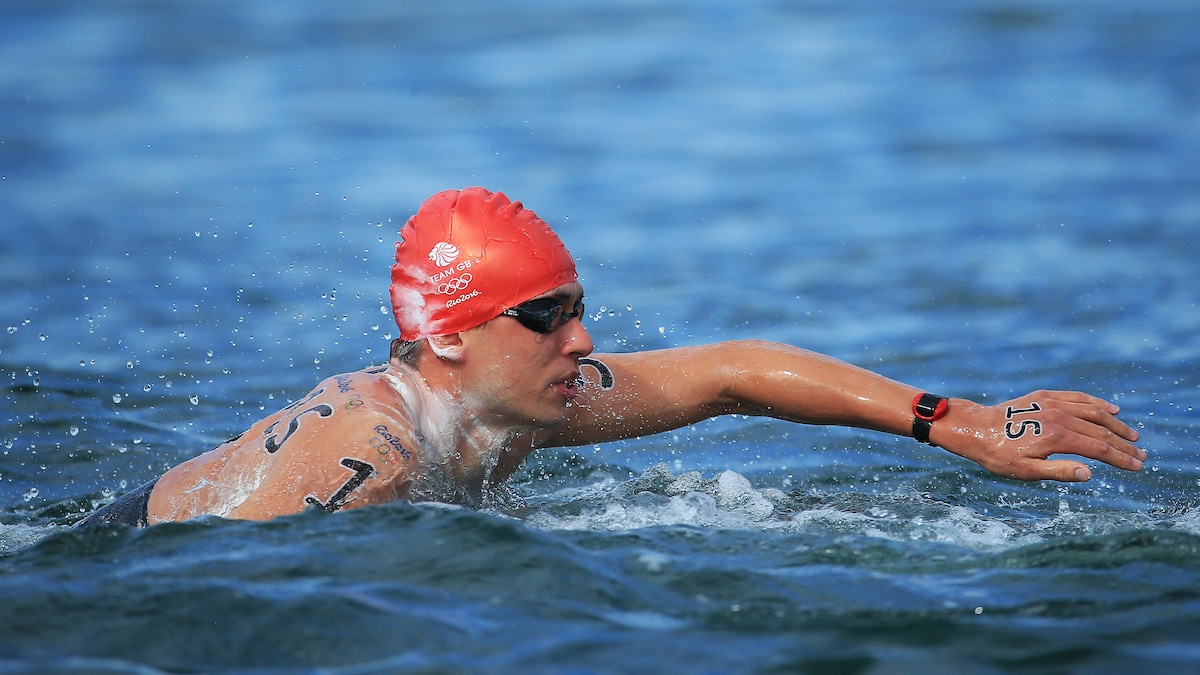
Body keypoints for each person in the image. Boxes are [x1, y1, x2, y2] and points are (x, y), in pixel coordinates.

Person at [77, 187, 1146, 527]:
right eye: (544, 316)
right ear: (447, 334)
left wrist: (953, 421)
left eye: (577, 310)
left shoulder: (516, 401)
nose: (580, 342)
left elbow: (735, 368)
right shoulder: (374, 454)